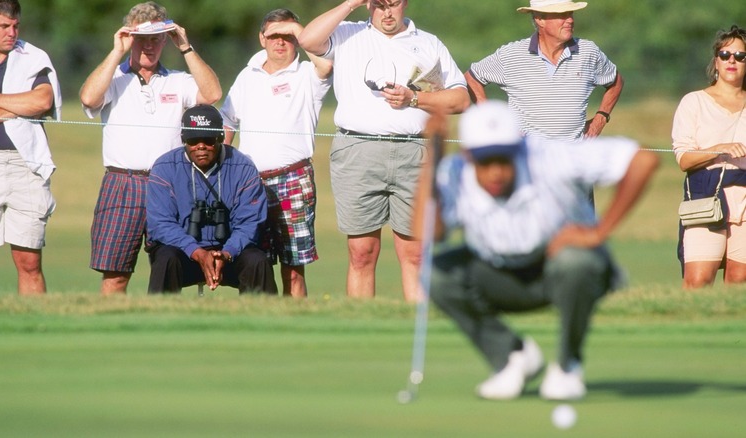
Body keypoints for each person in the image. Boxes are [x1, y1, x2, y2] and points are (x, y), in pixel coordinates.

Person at [415, 101, 657, 400]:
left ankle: (568, 365)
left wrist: (599, 231)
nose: (495, 172)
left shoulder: (549, 156)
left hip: (562, 268)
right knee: (435, 273)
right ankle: (512, 357)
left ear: (519, 148)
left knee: (576, 263)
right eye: (484, 161)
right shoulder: (454, 171)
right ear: (467, 156)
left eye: (504, 159)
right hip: (499, 274)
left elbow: (642, 160)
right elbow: (429, 234)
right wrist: (432, 157)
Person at [298, 0, 470, 302]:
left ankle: (410, 331)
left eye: (393, 4)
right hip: (358, 150)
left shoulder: (428, 42)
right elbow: (308, 39)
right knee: (362, 251)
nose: (387, 12)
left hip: (415, 152)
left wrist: (413, 99)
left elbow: (460, 99)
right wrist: (351, 3)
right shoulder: (346, 33)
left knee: (415, 252)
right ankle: (359, 330)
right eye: (379, 5)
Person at [80, 1, 222, 295]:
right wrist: (117, 51)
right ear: (130, 38)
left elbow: (212, 94)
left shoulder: (178, 81)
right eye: (141, 39)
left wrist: (185, 46)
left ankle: (166, 333)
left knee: (170, 265)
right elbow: (89, 99)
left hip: (169, 182)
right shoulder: (114, 78)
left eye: (156, 39)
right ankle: (111, 336)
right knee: (115, 274)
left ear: (165, 40)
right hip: (123, 182)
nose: (149, 46)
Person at [219, 9, 333, 298]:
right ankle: (261, 323)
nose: (280, 42)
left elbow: (326, 67)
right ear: (262, 38)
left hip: (293, 177)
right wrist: (220, 170)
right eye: (274, 35)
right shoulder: (248, 75)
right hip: (251, 181)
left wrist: (299, 29)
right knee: (255, 260)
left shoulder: (308, 72)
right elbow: (229, 121)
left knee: (293, 266)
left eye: (287, 36)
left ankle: (296, 327)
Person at [0, 0, 61, 294]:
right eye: (4, 26)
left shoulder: (32, 58)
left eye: (15, 26)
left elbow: (43, 102)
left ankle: (38, 331)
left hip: (27, 165)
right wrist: (20, 107)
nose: (11, 32)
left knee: (29, 260)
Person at [145, 105, 277, 294]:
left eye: (208, 139)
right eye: (193, 140)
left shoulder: (243, 167)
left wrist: (227, 253)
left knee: (257, 261)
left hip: (230, 252)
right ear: (183, 140)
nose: (201, 146)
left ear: (220, 138)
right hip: (183, 250)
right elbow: (160, 223)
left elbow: (250, 222)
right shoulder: (164, 167)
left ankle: (265, 321)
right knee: (166, 258)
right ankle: (156, 321)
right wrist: (197, 252)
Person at [465, 0, 623, 141]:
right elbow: (472, 78)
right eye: (562, 14)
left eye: (570, 13)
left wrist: (601, 118)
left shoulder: (588, 51)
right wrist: (492, 120)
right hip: (528, 158)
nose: (570, 20)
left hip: (573, 158)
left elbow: (616, 82)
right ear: (539, 19)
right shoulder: (511, 54)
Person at [672, 25, 746, 289]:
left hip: (745, 195)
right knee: (698, 281)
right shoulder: (694, 102)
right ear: (716, 60)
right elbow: (684, 159)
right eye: (726, 54)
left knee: (739, 283)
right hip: (707, 197)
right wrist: (720, 148)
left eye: (740, 56)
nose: (732, 61)